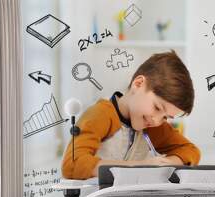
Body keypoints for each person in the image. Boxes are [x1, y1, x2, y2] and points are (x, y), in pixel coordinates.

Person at [62, 50, 201, 179]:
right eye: (157, 107)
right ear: (138, 84)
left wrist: (167, 163)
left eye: (166, 117)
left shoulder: (152, 126)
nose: (157, 120)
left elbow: (191, 151)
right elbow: (72, 164)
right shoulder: (100, 114)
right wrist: (140, 167)